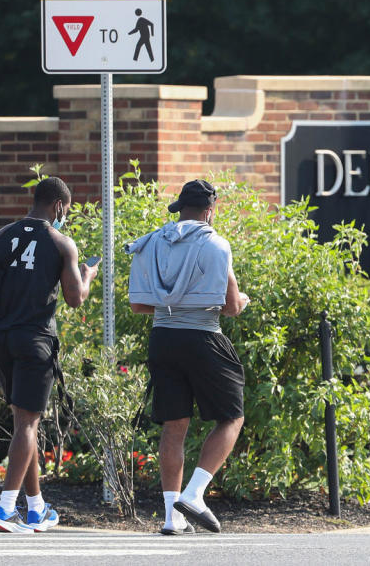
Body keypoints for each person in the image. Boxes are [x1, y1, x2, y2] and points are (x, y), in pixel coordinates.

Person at [0, 176, 99, 533]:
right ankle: (6, 508)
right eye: (65, 211)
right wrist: (88, 275)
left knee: (25, 421)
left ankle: (37, 508)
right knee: (27, 423)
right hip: (35, 340)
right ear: (58, 206)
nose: (64, 216)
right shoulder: (61, 242)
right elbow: (75, 298)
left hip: (1, 340)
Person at [126, 179, 249, 535]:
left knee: (174, 425)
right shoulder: (216, 245)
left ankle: (171, 516)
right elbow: (230, 306)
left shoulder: (152, 241)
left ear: (181, 208)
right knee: (231, 417)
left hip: (162, 338)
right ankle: (194, 494)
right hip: (203, 336)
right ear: (210, 211)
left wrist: (173, 308)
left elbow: (137, 304)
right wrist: (241, 303)